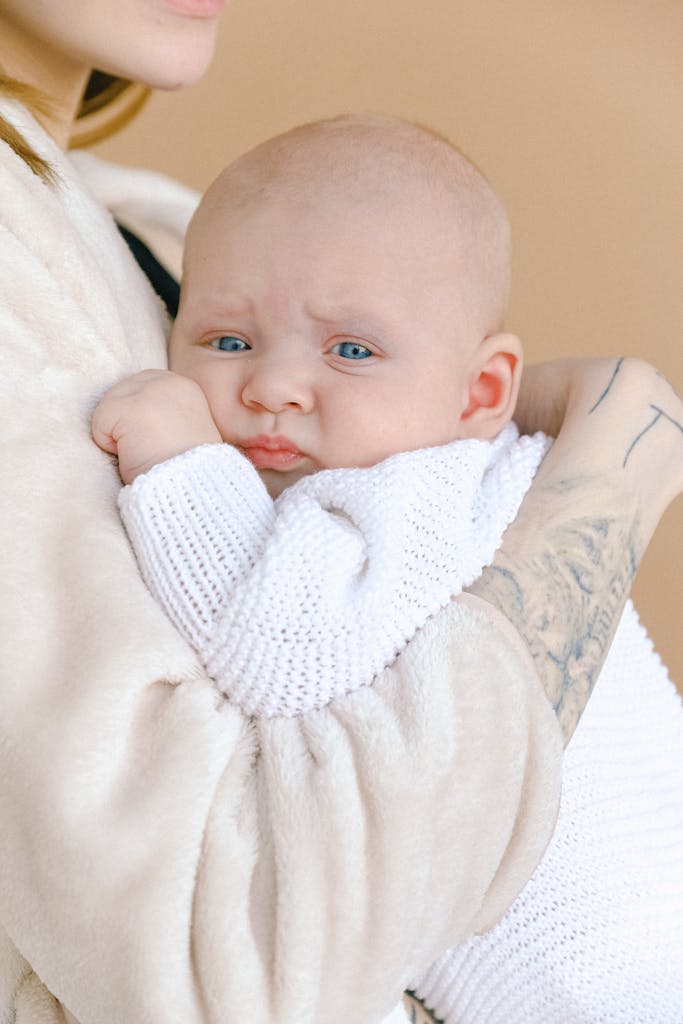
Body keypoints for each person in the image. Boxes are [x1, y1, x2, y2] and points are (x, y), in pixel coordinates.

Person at [0, 3, 681, 1021]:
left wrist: (182, 468)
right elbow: (245, 966)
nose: (274, 386)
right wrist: (614, 469)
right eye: (227, 343)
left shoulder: (154, 229)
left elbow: (290, 625)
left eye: (349, 350)